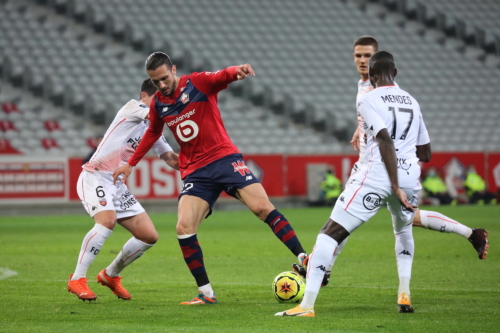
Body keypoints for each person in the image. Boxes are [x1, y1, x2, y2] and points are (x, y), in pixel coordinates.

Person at [294, 36, 488, 290]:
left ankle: (320, 270)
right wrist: (359, 130)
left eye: (367, 56)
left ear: (375, 62)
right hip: (384, 169)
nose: (362, 60)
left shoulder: (377, 91)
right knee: (402, 221)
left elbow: (388, 132)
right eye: (358, 55)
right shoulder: (372, 88)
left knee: (340, 223)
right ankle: (470, 234)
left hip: (376, 170)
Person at [112, 52, 307, 305]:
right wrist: (131, 164)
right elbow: (152, 133)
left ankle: (304, 259)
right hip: (196, 171)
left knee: (262, 207)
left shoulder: (197, 83)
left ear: (173, 69)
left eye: (163, 78)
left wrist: (236, 70)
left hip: (224, 159)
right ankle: (206, 293)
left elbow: (220, 77)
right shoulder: (158, 104)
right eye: (154, 81)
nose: (161, 85)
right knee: (183, 228)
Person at [277, 51, 429, 317]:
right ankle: (404, 293)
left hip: (380, 176)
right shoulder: (413, 102)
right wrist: (403, 180)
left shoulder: (368, 98)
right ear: (396, 72)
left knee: (328, 234)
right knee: (403, 232)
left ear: (370, 75)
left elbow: (384, 139)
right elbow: (426, 152)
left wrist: (392, 184)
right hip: (409, 177)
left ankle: (307, 305)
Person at [68, 79, 179, 301]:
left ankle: (110, 275)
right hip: (95, 176)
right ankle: (77, 278)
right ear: (144, 96)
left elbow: (170, 158)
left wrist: (198, 162)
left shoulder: (154, 129)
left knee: (148, 236)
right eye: (157, 98)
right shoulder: (133, 108)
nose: (161, 102)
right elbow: (157, 113)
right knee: (106, 221)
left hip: (116, 185)